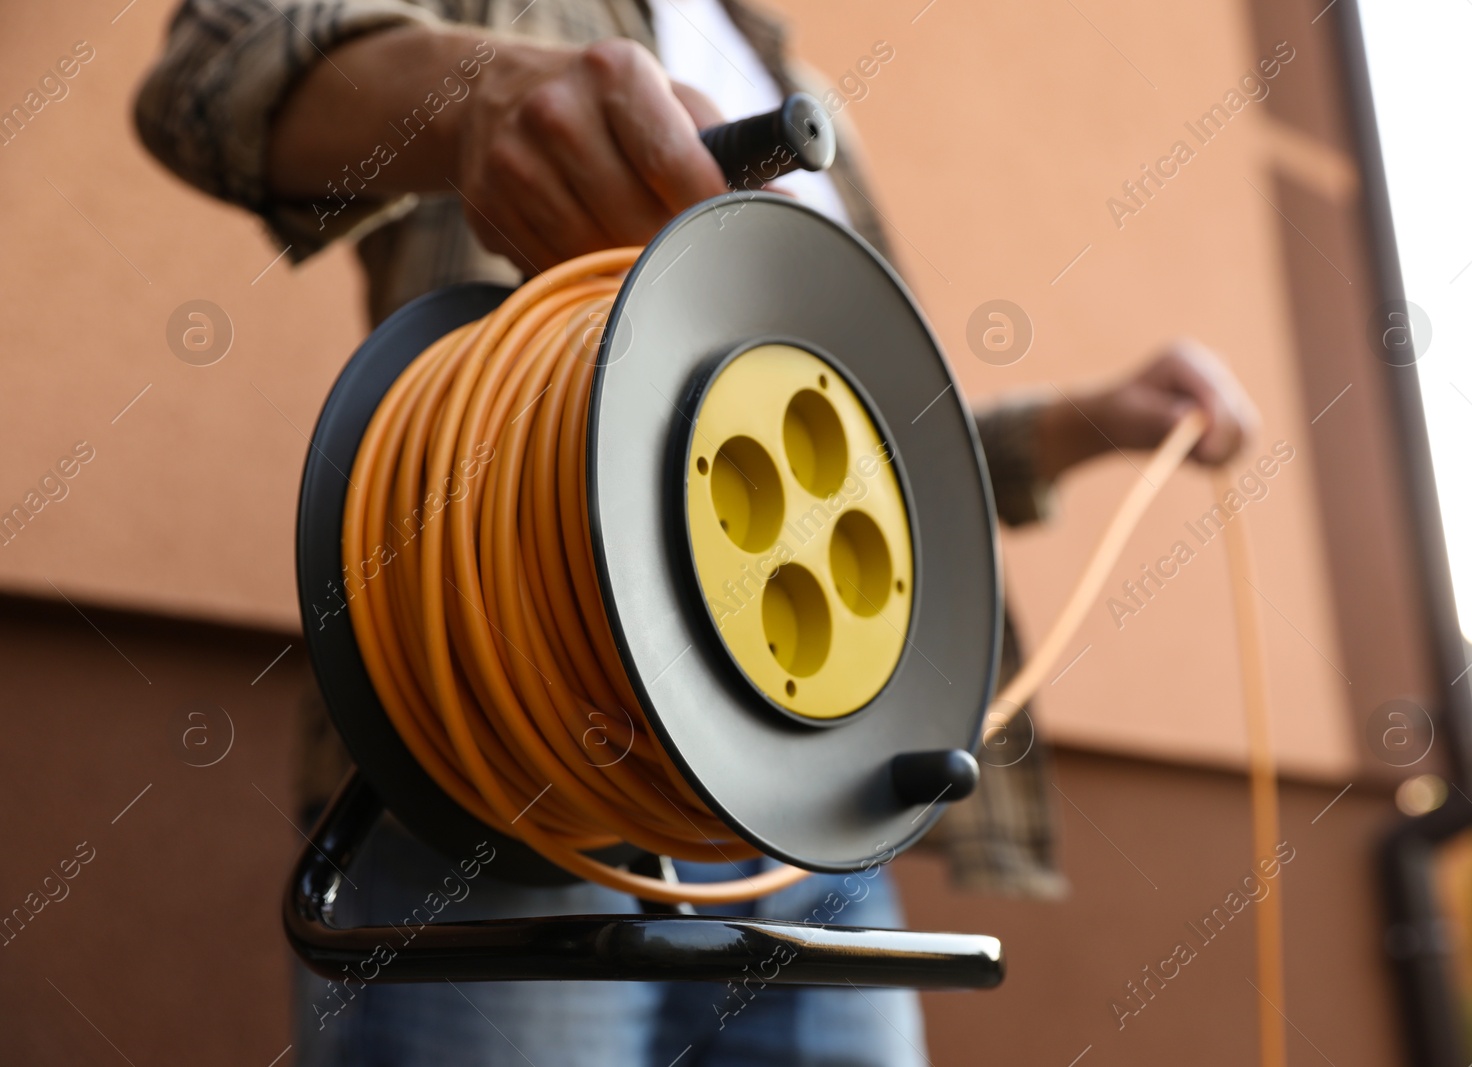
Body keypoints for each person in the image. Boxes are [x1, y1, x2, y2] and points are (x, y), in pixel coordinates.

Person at [136, 2, 1258, 1064]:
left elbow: (848, 447)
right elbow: (211, 71)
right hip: (508, 787)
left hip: (802, 819)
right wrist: (477, 96)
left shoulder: (794, 86)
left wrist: (1089, 425)